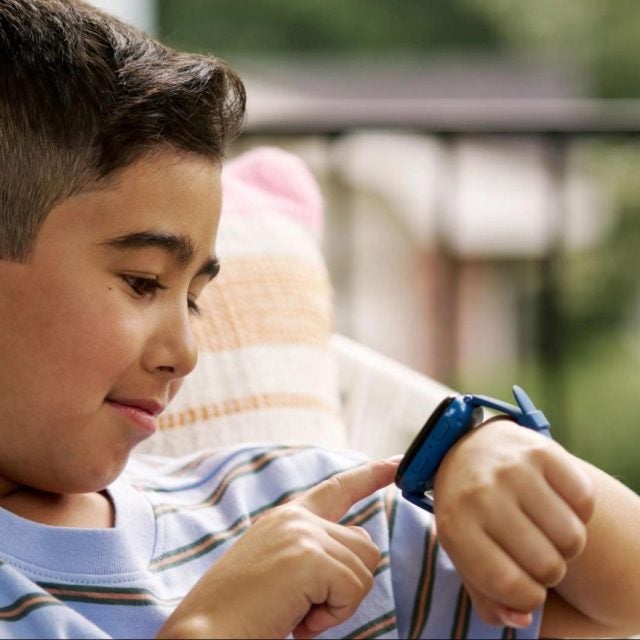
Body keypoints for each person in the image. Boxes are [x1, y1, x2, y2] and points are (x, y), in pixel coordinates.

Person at [0, 1, 639, 638]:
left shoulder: (299, 508)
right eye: (142, 283)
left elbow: (615, 609)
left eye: (193, 297)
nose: (186, 352)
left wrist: (488, 442)